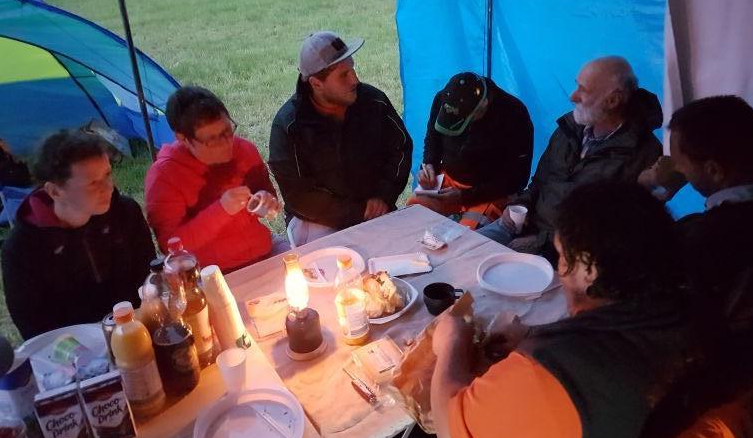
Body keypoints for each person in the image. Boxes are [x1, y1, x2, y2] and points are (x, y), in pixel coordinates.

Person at [388, 181, 690, 438]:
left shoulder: (559, 373)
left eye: (562, 257)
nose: (560, 271)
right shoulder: (681, 319)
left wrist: (451, 342)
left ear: (588, 269)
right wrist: (533, 337)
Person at [639, 96, 753, 398]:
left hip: (729, 374)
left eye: (679, 163)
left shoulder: (711, 239)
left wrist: (651, 185)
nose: (673, 167)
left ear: (715, 171)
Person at [478, 56, 662, 263]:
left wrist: (542, 243)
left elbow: (612, 233)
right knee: (463, 251)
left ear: (613, 100)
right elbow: (539, 182)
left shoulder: (644, 155)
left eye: (583, 90)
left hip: (569, 253)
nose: (573, 96)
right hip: (525, 227)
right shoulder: (568, 129)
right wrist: (520, 205)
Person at [1, 130, 156, 339]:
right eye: (93, 183)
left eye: (107, 174)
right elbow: (34, 327)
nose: (108, 187)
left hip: (136, 329)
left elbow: (147, 277)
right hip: (77, 348)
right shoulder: (23, 247)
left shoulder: (125, 213)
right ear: (55, 191)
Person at [268, 31, 412, 245]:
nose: (355, 80)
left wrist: (383, 196)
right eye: (344, 75)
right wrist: (357, 212)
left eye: (352, 69)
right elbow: (298, 196)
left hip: (375, 208)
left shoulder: (373, 102)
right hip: (317, 220)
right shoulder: (289, 126)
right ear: (316, 83)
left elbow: (400, 148)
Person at [145, 86, 282, 272]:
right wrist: (222, 210)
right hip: (212, 272)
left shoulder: (244, 150)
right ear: (183, 138)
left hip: (263, 249)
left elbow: (267, 198)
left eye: (227, 131)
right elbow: (170, 246)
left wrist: (266, 201)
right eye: (212, 139)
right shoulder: (165, 176)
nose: (226, 143)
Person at [406, 72, 533, 229]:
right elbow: (433, 138)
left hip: (489, 193)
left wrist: (465, 197)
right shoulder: (445, 99)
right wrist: (429, 165)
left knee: (467, 236)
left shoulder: (514, 114)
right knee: (411, 217)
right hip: (448, 182)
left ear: (484, 105)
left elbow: (517, 179)